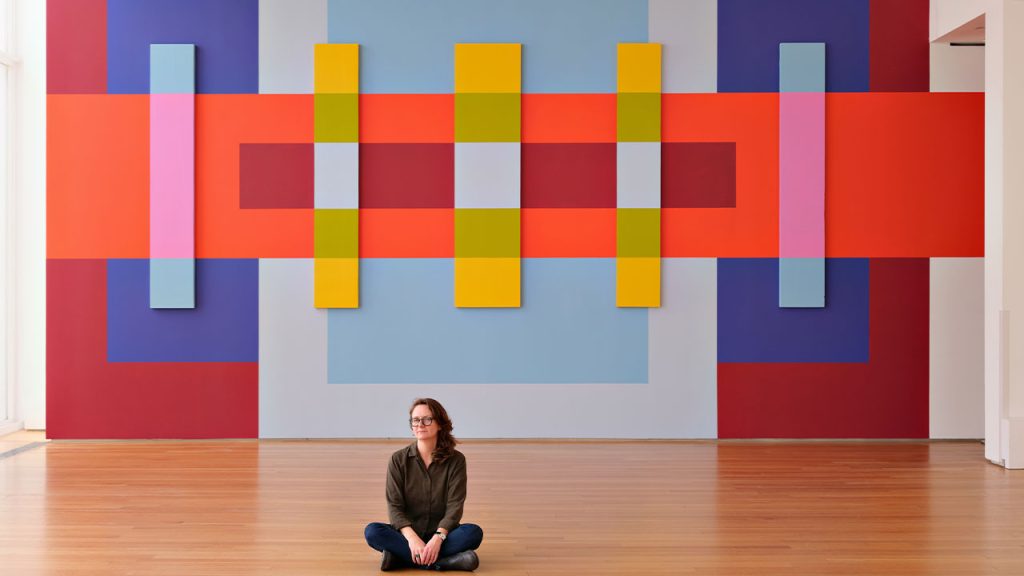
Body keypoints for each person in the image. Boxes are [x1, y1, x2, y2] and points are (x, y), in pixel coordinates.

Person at [364, 398, 484, 571]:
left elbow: (455, 506)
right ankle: (446, 562)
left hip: (443, 535)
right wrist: (412, 539)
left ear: (440, 424)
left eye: (427, 419)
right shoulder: (398, 460)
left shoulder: (456, 460)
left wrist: (437, 538)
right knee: (372, 531)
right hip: (407, 534)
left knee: (473, 533)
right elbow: (394, 506)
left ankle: (400, 558)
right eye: (415, 420)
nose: (420, 424)